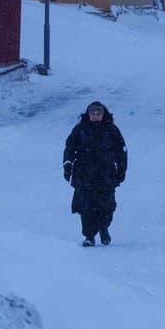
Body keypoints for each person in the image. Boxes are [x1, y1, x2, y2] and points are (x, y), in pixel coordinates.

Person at [62, 101, 127, 246]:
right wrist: (67, 165)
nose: (96, 116)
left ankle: (103, 227)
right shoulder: (80, 130)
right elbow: (69, 148)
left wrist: (121, 171)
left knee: (107, 206)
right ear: (89, 114)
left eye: (99, 114)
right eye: (93, 114)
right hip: (84, 175)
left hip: (106, 175)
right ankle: (89, 236)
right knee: (86, 207)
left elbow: (121, 152)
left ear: (103, 115)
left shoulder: (112, 130)